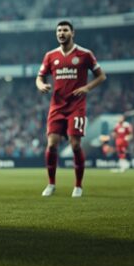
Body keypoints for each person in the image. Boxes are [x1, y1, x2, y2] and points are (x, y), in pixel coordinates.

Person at [35, 21, 108, 198]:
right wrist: (41, 85)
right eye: (59, 30)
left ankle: (78, 185)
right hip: (56, 107)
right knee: (52, 144)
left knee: (75, 144)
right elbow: (39, 77)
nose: (61, 33)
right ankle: (51, 183)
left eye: (65, 30)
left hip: (76, 107)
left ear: (72, 33)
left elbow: (101, 76)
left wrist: (87, 88)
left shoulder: (85, 54)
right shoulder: (50, 55)